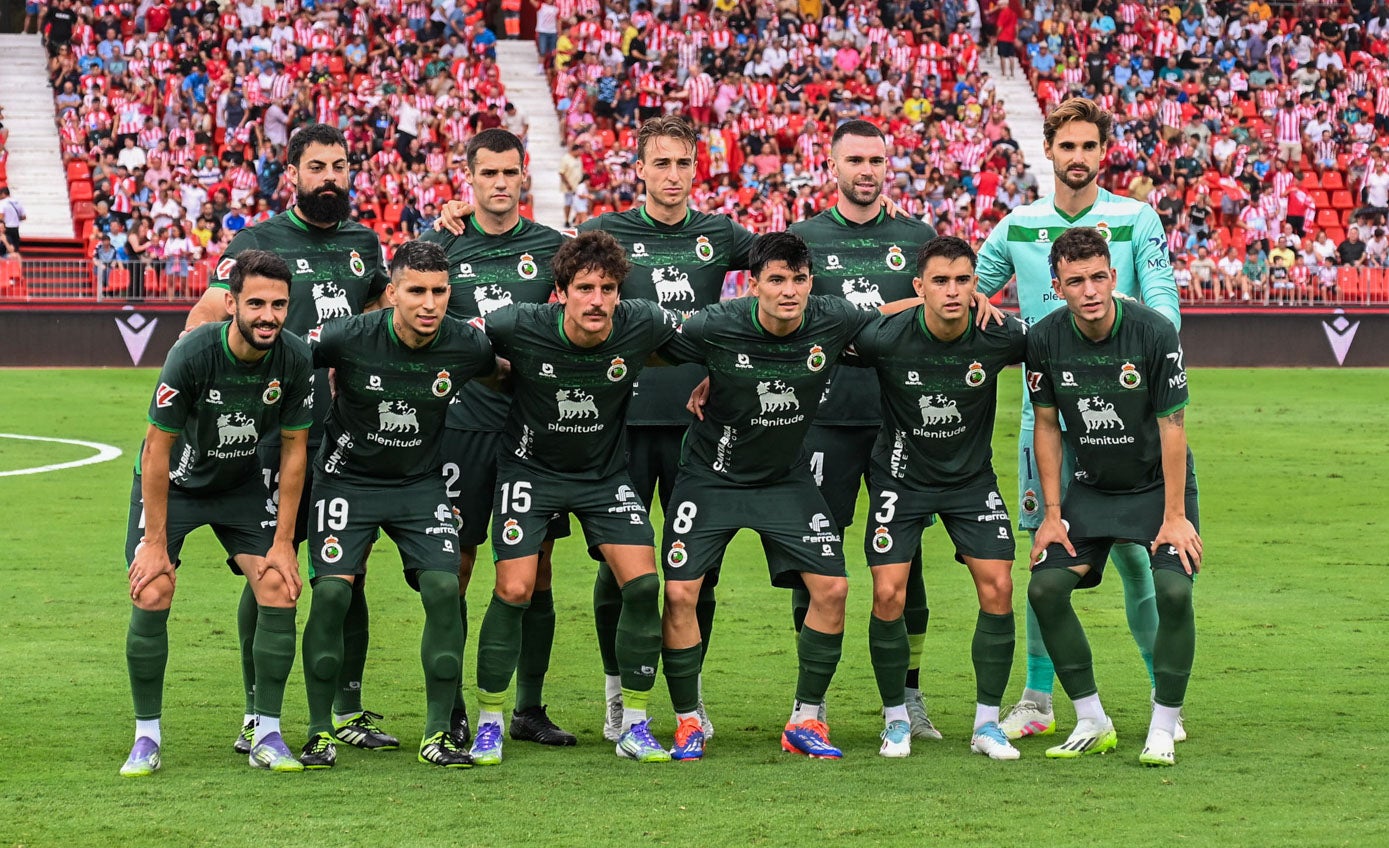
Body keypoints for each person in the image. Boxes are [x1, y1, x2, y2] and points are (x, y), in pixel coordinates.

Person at [657, 232, 914, 761]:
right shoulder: (716, 323)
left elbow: (892, 310)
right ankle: (687, 722)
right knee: (681, 594)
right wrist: (711, 374)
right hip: (711, 476)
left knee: (834, 589)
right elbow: (653, 343)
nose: (788, 290)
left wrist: (958, 296)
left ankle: (805, 719)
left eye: (798, 279)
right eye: (776, 279)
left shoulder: (833, 316)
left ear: (810, 282)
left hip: (785, 479)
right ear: (753, 286)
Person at [975, 97, 1184, 743]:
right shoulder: (1015, 226)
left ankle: (1160, 695)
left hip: (1126, 423)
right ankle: (1038, 700)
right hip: (1043, 420)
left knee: (1138, 560)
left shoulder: (1135, 217)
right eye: (1066, 146)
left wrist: (1134, 360)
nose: (1077, 158)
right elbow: (967, 298)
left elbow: (1164, 306)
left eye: (1088, 147)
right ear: (1050, 151)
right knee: (1047, 546)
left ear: (1102, 152)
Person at [183, 124, 392, 757]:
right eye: (317, 167)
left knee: (344, 574)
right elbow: (204, 317)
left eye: (340, 165)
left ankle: (349, 709)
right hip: (274, 441)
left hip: (351, 440)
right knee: (267, 571)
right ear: (293, 175)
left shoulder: (364, 241)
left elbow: (388, 316)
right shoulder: (257, 242)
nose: (330, 177)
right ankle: (255, 713)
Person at [468, 231, 681, 766]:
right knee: (515, 589)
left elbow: (706, 343)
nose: (597, 299)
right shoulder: (516, 324)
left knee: (644, 584)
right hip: (529, 472)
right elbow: (460, 346)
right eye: (585, 287)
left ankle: (633, 723)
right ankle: (490, 724)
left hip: (603, 477)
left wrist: (713, 385)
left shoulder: (642, 322)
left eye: (608, 288)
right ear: (560, 291)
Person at [577, 116, 756, 742]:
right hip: (620, 421)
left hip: (698, 425)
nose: (672, 176)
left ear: (695, 167)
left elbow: (792, 259)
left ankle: (690, 694)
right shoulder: (606, 234)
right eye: (661, 164)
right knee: (618, 568)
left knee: (695, 568)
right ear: (640, 169)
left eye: (683, 164)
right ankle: (618, 694)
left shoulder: (721, 233)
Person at [298, 240, 500, 769]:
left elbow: (509, 374)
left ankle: (438, 734)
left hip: (420, 486)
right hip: (345, 482)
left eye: (438, 291)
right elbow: (286, 354)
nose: (428, 303)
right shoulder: (348, 335)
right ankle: (320, 731)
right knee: (332, 595)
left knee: (443, 585)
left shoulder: (466, 344)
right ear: (392, 293)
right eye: (416, 291)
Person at [120, 250, 314, 777]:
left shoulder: (295, 358)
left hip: (241, 485)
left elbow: (296, 451)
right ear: (231, 304)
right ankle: (146, 737)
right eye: (255, 303)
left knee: (278, 584)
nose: (267, 315)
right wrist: (156, 542)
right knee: (153, 587)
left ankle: (267, 732)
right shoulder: (193, 354)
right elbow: (155, 447)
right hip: (175, 485)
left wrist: (283, 542)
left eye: (278, 305)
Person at [420, 128, 575, 748]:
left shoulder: (551, 247)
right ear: (471, 177)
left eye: (511, 173)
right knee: (453, 567)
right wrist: (436, 229)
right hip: (459, 427)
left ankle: (529, 708)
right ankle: (454, 704)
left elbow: (604, 282)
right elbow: (397, 299)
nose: (501, 184)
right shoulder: (440, 247)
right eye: (489, 174)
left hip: (533, 432)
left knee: (536, 572)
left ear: (523, 175)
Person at [787, 119, 941, 743]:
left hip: (902, 420)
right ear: (832, 166)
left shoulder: (917, 237)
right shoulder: (803, 238)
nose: (867, 170)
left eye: (876, 159)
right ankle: (810, 703)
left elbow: (942, 311)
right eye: (854, 159)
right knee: (816, 556)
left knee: (910, 565)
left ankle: (908, 696)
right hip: (822, 420)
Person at [844, 236, 1027, 759]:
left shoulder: (999, 334)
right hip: (899, 479)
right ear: (919, 286)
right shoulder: (885, 335)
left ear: (977, 285)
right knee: (888, 594)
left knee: (998, 586)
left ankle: (987, 724)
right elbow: (814, 331)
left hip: (971, 482)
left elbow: (1065, 337)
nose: (952, 291)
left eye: (963, 281)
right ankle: (896, 719)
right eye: (940, 281)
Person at [1024, 227, 1200, 767]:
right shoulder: (1045, 339)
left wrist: (1173, 517)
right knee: (1045, 588)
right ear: (1058, 286)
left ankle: (1164, 725)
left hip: (1156, 488)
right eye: (1076, 281)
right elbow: (1047, 428)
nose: (1090, 290)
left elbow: (1174, 425)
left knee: (1172, 593)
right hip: (1092, 492)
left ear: (1113, 277)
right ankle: (1091, 718)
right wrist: (1052, 515)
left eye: (1098, 276)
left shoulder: (1153, 331)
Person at [0, 188, 27, 256]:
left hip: (6, 228)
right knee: (15, 249)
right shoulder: (18, 202)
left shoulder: (3, 202)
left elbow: (1, 216)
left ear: (3, 194)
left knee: (5, 248)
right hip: (15, 229)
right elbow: (23, 217)